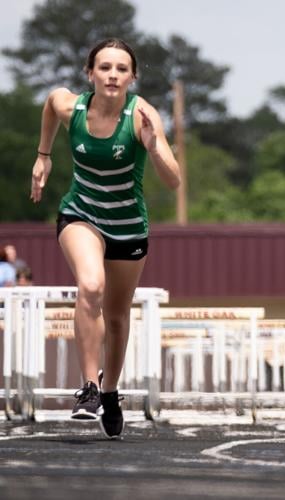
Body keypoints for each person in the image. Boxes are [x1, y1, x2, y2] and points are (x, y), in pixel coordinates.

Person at [30, 38, 181, 438]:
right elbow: (49, 103)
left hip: (128, 225)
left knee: (116, 317)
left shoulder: (142, 115)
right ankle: (90, 388)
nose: (112, 75)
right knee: (90, 286)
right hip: (81, 213)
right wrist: (43, 155)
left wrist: (153, 147)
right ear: (90, 73)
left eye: (120, 69)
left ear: (132, 76)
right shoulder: (70, 106)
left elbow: (173, 180)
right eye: (104, 67)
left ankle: (111, 390)